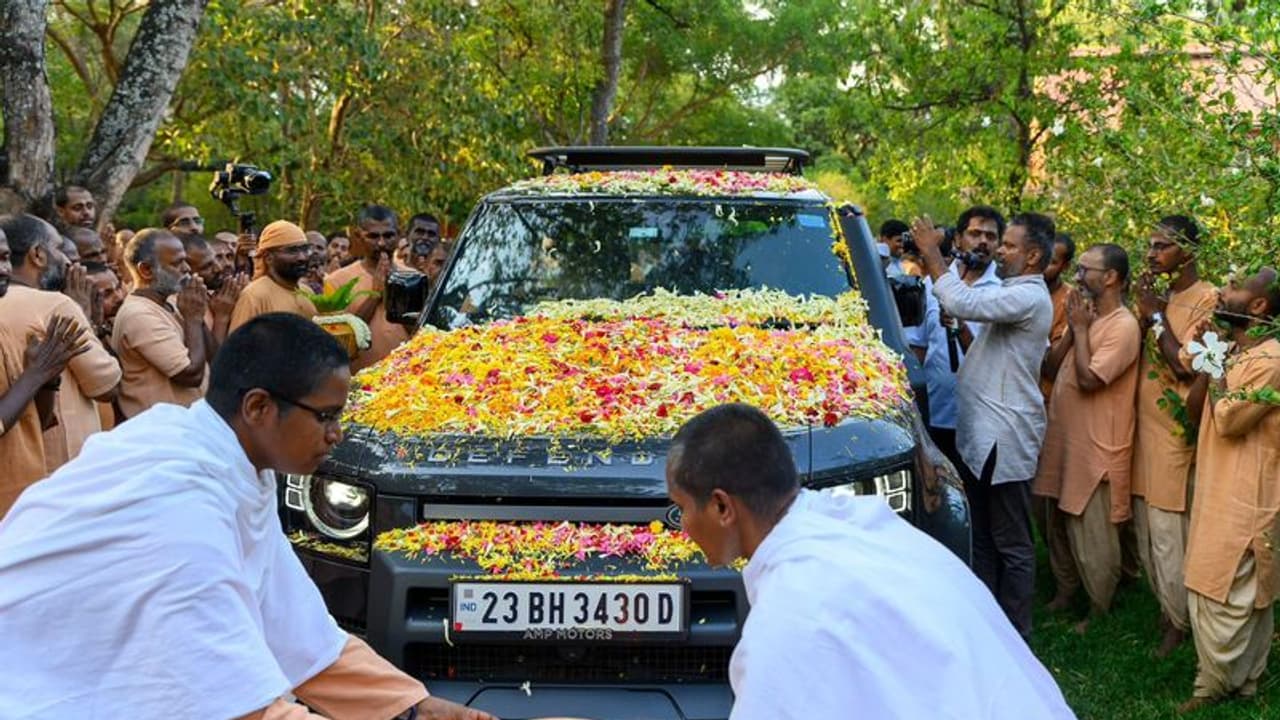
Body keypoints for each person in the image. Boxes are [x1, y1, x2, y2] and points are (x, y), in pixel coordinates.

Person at [0, 314, 495, 720]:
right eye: (326, 415)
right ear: (258, 407)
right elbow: (234, 708)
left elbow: (301, 637)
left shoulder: (222, 459)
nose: (337, 434)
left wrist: (416, 709)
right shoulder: (180, 502)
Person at [665, 403, 1075, 719]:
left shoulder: (790, 613)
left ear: (722, 507)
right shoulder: (854, 520)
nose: (682, 526)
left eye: (682, 508)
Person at [911, 211, 1054, 639]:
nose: (999, 251)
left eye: (1008, 245)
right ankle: (990, 625)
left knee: (1011, 540)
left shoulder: (1029, 296)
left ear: (1031, 256)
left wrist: (933, 254)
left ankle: (1016, 634)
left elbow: (962, 302)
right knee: (987, 535)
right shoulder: (1017, 290)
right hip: (985, 434)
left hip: (1003, 436)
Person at [1178, 266, 1280, 713]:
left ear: (1259, 306)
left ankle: (1218, 685)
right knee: (1214, 579)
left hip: (1248, 491)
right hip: (1220, 486)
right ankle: (1234, 682)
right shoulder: (1237, 350)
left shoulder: (1271, 361)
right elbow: (1196, 409)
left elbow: (1231, 419)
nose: (1222, 290)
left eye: (1234, 287)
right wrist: (1211, 351)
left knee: (1234, 585)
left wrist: (1215, 363)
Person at [1034, 244, 1141, 632]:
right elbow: (1050, 365)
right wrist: (1074, 330)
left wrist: (1079, 330)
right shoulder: (1086, 314)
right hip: (1064, 438)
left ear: (1110, 277)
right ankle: (1065, 592)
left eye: (1085, 270)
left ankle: (1099, 608)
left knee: (1092, 529)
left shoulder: (1124, 326)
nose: (1077, 277)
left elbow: (1090, 379)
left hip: (1097, 445)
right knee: (1055, 519)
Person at [1128, 215, 1221, 656]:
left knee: (1169, 532)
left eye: (1161, 246)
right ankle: (1167, 612)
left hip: (1175, 434)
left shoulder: (1209, 299)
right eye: (1149, 245)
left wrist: (1157, 315)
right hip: (1142, 430)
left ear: (1189, 252)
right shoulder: (1157, 297)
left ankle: (1180, 624)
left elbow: (1188, 366)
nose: (1151, 254)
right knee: (1149, 527)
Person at [0, 215, 121, 480]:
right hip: (64, 471)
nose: (68, 262)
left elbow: (38, 416)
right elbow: (107, 386)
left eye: (6, 258)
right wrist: (85, 317)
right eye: (60, 250)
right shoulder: (56, 305)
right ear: (38, 255)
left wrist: (45, 379)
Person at [0, 224, 94, 516]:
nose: (3, 269)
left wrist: (49, 380)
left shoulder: (5, 326)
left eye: (4, 257)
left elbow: (34, 424)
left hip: (24, 500)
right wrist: (36, 374)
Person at [903, 205, 1003, 471]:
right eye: (975, 233)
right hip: (935, 412)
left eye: (991, 237)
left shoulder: (1003, 291)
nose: (983, 241)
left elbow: (989, 360)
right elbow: (918, 346)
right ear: (958, 239)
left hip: (980, 420)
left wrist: (960, 326)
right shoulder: (930, 284)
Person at [111, 229, 210, 419]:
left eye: (185, 260)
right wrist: (193, 319)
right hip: (162, 433)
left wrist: (199, 315)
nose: (187, 269)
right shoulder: (138, 315)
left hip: (187, 427)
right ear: (146, 270)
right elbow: (191, 376)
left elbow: (213, 358)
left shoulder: (173, 301)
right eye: (177, 263)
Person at [1033, 232, 1080, 611]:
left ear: (1064, 266)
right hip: (1026, 407)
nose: (1045, 265)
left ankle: (1068, 585)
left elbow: (1052, 362)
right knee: (1038, 503)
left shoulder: (1067, 302)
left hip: (1052, 410)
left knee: (1052, 503)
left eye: (1054, 260)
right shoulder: (1021, 290)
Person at [324, 205, 411, 371]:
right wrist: (375, 295)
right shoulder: (337, 281)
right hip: (360, 384)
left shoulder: (413, 277)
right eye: (373, 236)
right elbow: (340, 344)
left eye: (388, 235)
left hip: (407, 380)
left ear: (399, 234)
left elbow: (422, 332)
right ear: (358, 237)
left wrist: (395, 294)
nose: (381, 243)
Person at [230, 221, 319, 333]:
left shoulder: (308, 293)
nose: (302, 257)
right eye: (292, 251)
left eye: (305, 249)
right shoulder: (254, 296)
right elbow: (239, 347)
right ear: (268, 258)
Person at [183, 233, 247, 354]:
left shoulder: (218, 295)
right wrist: (221, 317)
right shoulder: (187, 304)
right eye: (208, 265)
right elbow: (214, 359)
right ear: (186, 269)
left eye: (229, 256)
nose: (220, 267)